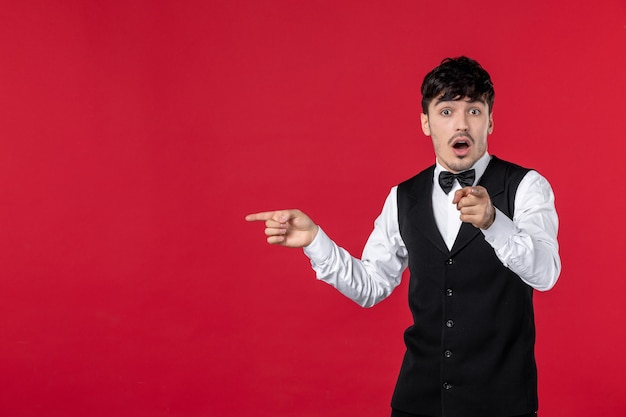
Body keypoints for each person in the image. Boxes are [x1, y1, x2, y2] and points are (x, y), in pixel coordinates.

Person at [245, 56, 560, 417]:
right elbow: (371, 285)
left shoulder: (527, 187)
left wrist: (493, 222)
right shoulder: (402, 197)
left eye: (474, 111)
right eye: (446, 111)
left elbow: (546, 273)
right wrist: (316, 241)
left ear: (490, 120)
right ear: (426, 123)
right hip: (418, 402)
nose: (461, 124)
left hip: (502, 404)